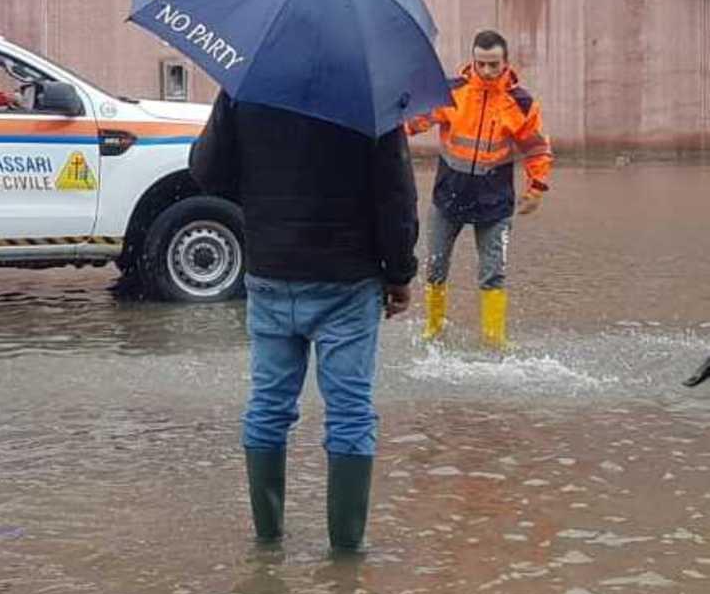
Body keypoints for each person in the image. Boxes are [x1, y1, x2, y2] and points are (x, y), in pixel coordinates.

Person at [191, 95, 418, 553]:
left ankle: (268, 541)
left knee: (268, 406)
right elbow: (395, 194)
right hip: (348, 279)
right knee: (350, 411)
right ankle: (346, 554)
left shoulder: (248, 85)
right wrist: (399, 273)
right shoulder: (370, 92)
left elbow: (207, 171)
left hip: (271, 270)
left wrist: (264, 205)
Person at [405, 30, 552, 352]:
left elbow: (537, 149)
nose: (487, 71)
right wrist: (397, 115)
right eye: (481, 64)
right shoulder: (450, 92)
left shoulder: (521, 103)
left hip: (495, 204)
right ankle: (434, 327)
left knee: (493, 273)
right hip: (448, 198)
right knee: (435, 266)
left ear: (506, 63)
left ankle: (494, 339)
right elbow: (414, 121)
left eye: (493, 65)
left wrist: (537, 188)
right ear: (473, 60)